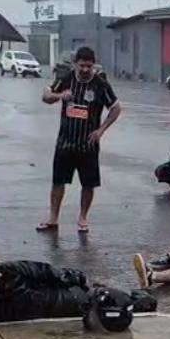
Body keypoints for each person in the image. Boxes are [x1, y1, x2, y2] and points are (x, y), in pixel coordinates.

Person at [0, 241, 155, 324]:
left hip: (34, 312)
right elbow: (51, 272)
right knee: (109, 299)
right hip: (61, 302)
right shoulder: (9, 268)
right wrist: (81, 279)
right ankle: (141, 299)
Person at [38, 47, 122, 233]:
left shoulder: (101, 84)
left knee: (88, 184)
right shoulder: (66, 79)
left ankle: (83, 217)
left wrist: (101, 130)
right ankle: (53, 218)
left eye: (89, 66)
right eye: (82, 65)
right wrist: (60, 95)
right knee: (58, 181)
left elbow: (116, 108)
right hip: (65, 142)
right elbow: (46, 96)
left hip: (88, 144)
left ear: (93, 65)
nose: (85, 70)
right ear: (76, 63)